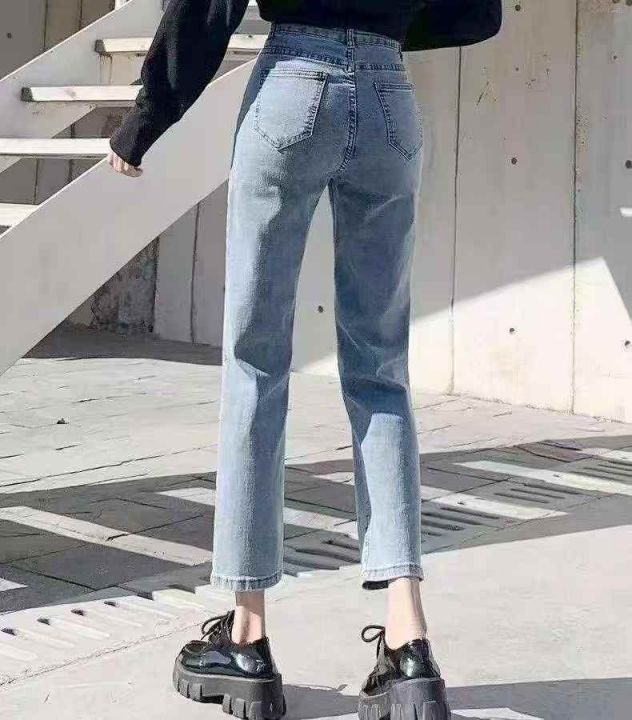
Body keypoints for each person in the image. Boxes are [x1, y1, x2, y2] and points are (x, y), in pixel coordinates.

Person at [108, 2, 502, 719]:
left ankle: (246, 638)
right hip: (388, 96)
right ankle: (409, 641)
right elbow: (477, 12)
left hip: (294, 82)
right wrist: (383, 25)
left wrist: (147, 117)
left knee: (256, 365)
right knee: (380, 370)